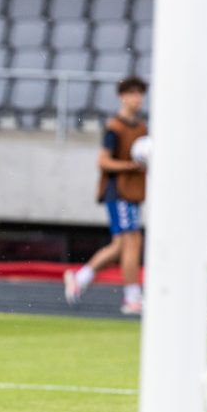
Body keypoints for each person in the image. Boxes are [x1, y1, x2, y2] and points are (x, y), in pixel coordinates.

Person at [64, 76, 149, 315]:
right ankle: (132, 297)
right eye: (133, 94)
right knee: (132, 240)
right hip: (118, 191)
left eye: (140, 94)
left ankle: (79, 279)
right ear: (122, 96)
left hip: (133, 191)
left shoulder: (142, 128)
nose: (137, 98)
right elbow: (103, 161)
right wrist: (131, 166)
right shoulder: (115, 127)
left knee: (120, 245)